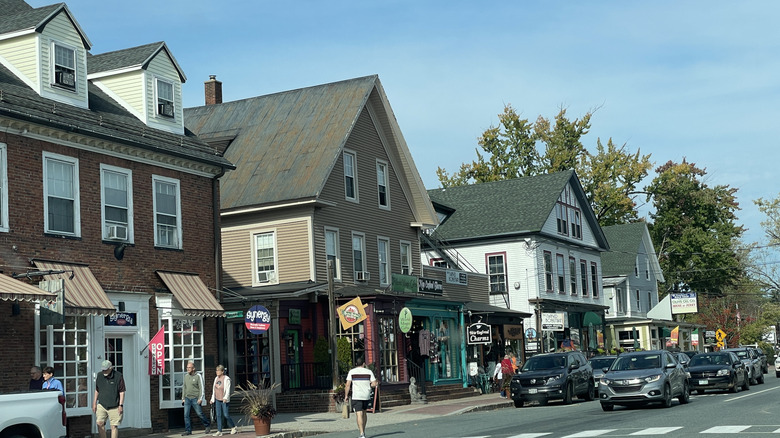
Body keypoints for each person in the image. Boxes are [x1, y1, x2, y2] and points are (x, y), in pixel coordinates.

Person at [344, 356, 378, 438]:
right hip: (366, 395)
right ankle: (364, 430)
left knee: (358, 414)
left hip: (357, 396)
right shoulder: (369, 372)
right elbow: (374, 383)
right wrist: (371, 385)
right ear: (363, 364)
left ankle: (361, 433)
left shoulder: (352, 372)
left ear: (356, 364)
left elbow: (348, 385)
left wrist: (346, 396)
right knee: (364, 413)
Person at [93, 360, 126, 438]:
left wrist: (120, 405)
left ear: (111, 368)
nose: (104, 371)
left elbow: (122, 391)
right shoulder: (100, 375)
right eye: (103, 369)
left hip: (114, 405)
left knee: (113, 426)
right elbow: (97, 389)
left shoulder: (118, 376)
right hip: (101, 404)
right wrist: (94, 402)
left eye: (106, 369)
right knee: (99, 423)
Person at [182, 360, 211, 436]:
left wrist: (200, 398)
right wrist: (183, 398)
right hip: (187, 398)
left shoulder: (198, 376)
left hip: (195, 398)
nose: (187, 369)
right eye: (187, 367)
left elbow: (201, 388)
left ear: (193, 368)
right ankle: (188, 430)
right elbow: (184, 387)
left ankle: (207, 425)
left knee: (199, 413)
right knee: (186, 415)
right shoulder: (186, 376)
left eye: (189, 367)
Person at [209, 365, 237, 436]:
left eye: (218, 370)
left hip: (224, 399)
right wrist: (212, 399)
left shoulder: (226, 379)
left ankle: (233, 427)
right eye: (216, 370)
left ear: (222, 371)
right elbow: (214, 390)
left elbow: (227, 390)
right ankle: (219, 430)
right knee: (218, 415)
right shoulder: (216, 379)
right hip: (217, 399)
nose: (217, 372)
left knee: (225, 414)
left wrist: (225, 397)